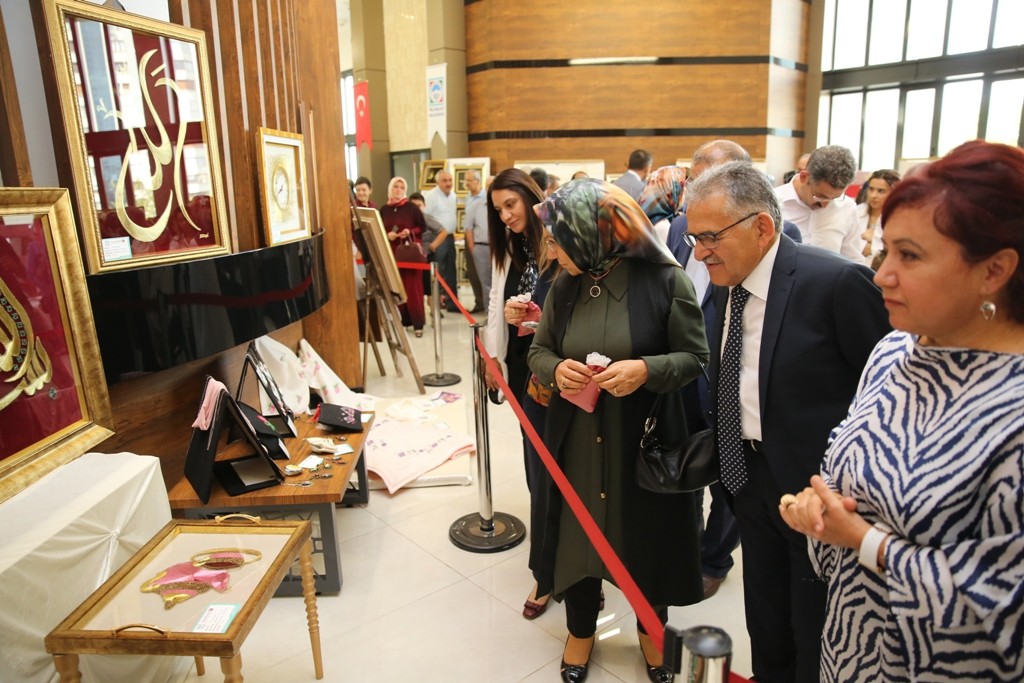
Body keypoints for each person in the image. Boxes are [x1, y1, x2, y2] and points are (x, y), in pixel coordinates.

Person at [779, 140, 1024, 682]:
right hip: (849, 646)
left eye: (909, 256)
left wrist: (866, 542)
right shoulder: (895, 351)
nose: (882, 275)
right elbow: (848, 472)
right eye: (885, 251)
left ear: (995, 270)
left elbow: (1007, 609)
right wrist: (813, 508)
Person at [685, 161, 890, 683]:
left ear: (761, 227)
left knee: (815, 627)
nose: (699, 251)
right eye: (694, 238)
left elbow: (886, 399)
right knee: (767, 620)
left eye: (710, 237)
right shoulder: (722, 281)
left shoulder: (837, 283)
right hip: (747, 482)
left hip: (819, 500)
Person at [528, 178, 709, 683]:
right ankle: (581, 631)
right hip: (577, 445)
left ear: (591, 233)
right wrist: (554, 369)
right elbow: (540, 351)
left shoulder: (666, 282)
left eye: (557, 237)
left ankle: (652, 634)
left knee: (647, 541)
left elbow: (696, 357)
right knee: (578, 541)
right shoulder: (564, 286)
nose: (550, 249)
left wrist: (645, 370)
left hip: (642, 444)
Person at [482, 169, 559, 623]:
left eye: (511, 205)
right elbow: (496, 302)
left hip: (566, 372)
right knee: (538, 472)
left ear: (532, 197)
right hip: (524, 371)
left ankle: (578, 571)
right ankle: (546, 570)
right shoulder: (508, 247)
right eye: (499, 210)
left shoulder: (560, 236)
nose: (507, 216)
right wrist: (494, 359)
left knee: (570, 475)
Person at [775, 145, 862, 261]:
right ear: (804, 177)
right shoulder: (773, 202)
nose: (826, 204)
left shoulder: (848, 207)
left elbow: (853, 259)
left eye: (836, 198)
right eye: (820, 196)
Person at [381, 176, 427, 337]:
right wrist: (389, 235)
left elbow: (423, 227)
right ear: (390, 189)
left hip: (410, 254)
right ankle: (402, 320)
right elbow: (379, 230)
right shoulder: (384, 209)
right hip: (392, 253)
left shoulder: (411, 208)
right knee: (397, 288)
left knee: (413, 288)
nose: (399, 190)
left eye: (402, 187)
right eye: (396, 187)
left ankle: (418, 323)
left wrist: (410, 232)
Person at [409, 191, 451, 314]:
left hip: (427, 257)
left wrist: (433, 246)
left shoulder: (427, 218)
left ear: (424, 206)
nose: (417, 208)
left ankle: (434, 313)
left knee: (430, 287)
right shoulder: (408, 219)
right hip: (412, 258)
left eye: (419, 205)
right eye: (414, 205)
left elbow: (443, 232)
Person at [425, 170, 459, 312]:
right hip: (438, 238)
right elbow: (426, 218)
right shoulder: (430, 196)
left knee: (451, 272)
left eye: (450, 180)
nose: (448, 183)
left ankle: (452, 304)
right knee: (437, 272)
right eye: (444, 180)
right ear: (438, 182)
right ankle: (436, 306)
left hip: (450, 238)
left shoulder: (453, 196)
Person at [854, 168, 900, 268]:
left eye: (881, 191)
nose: (873, 195)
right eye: (871, 189)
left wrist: (871, 247)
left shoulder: (898, 219)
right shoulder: (855, 212)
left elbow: (896, 253)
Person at [636, 165, 687, 244]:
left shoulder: (642, 217)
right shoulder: (663, 228)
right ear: (670, 192)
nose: (685, 193)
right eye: (682, 187)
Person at [463, 170, 490, 313]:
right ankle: (485, 308)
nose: (466, 183)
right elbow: (468, 227)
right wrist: (473, 248)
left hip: (495, 247)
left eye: (469, 180)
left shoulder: (494, 203)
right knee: (481, 279)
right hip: (479, 245)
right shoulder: (473, 202)